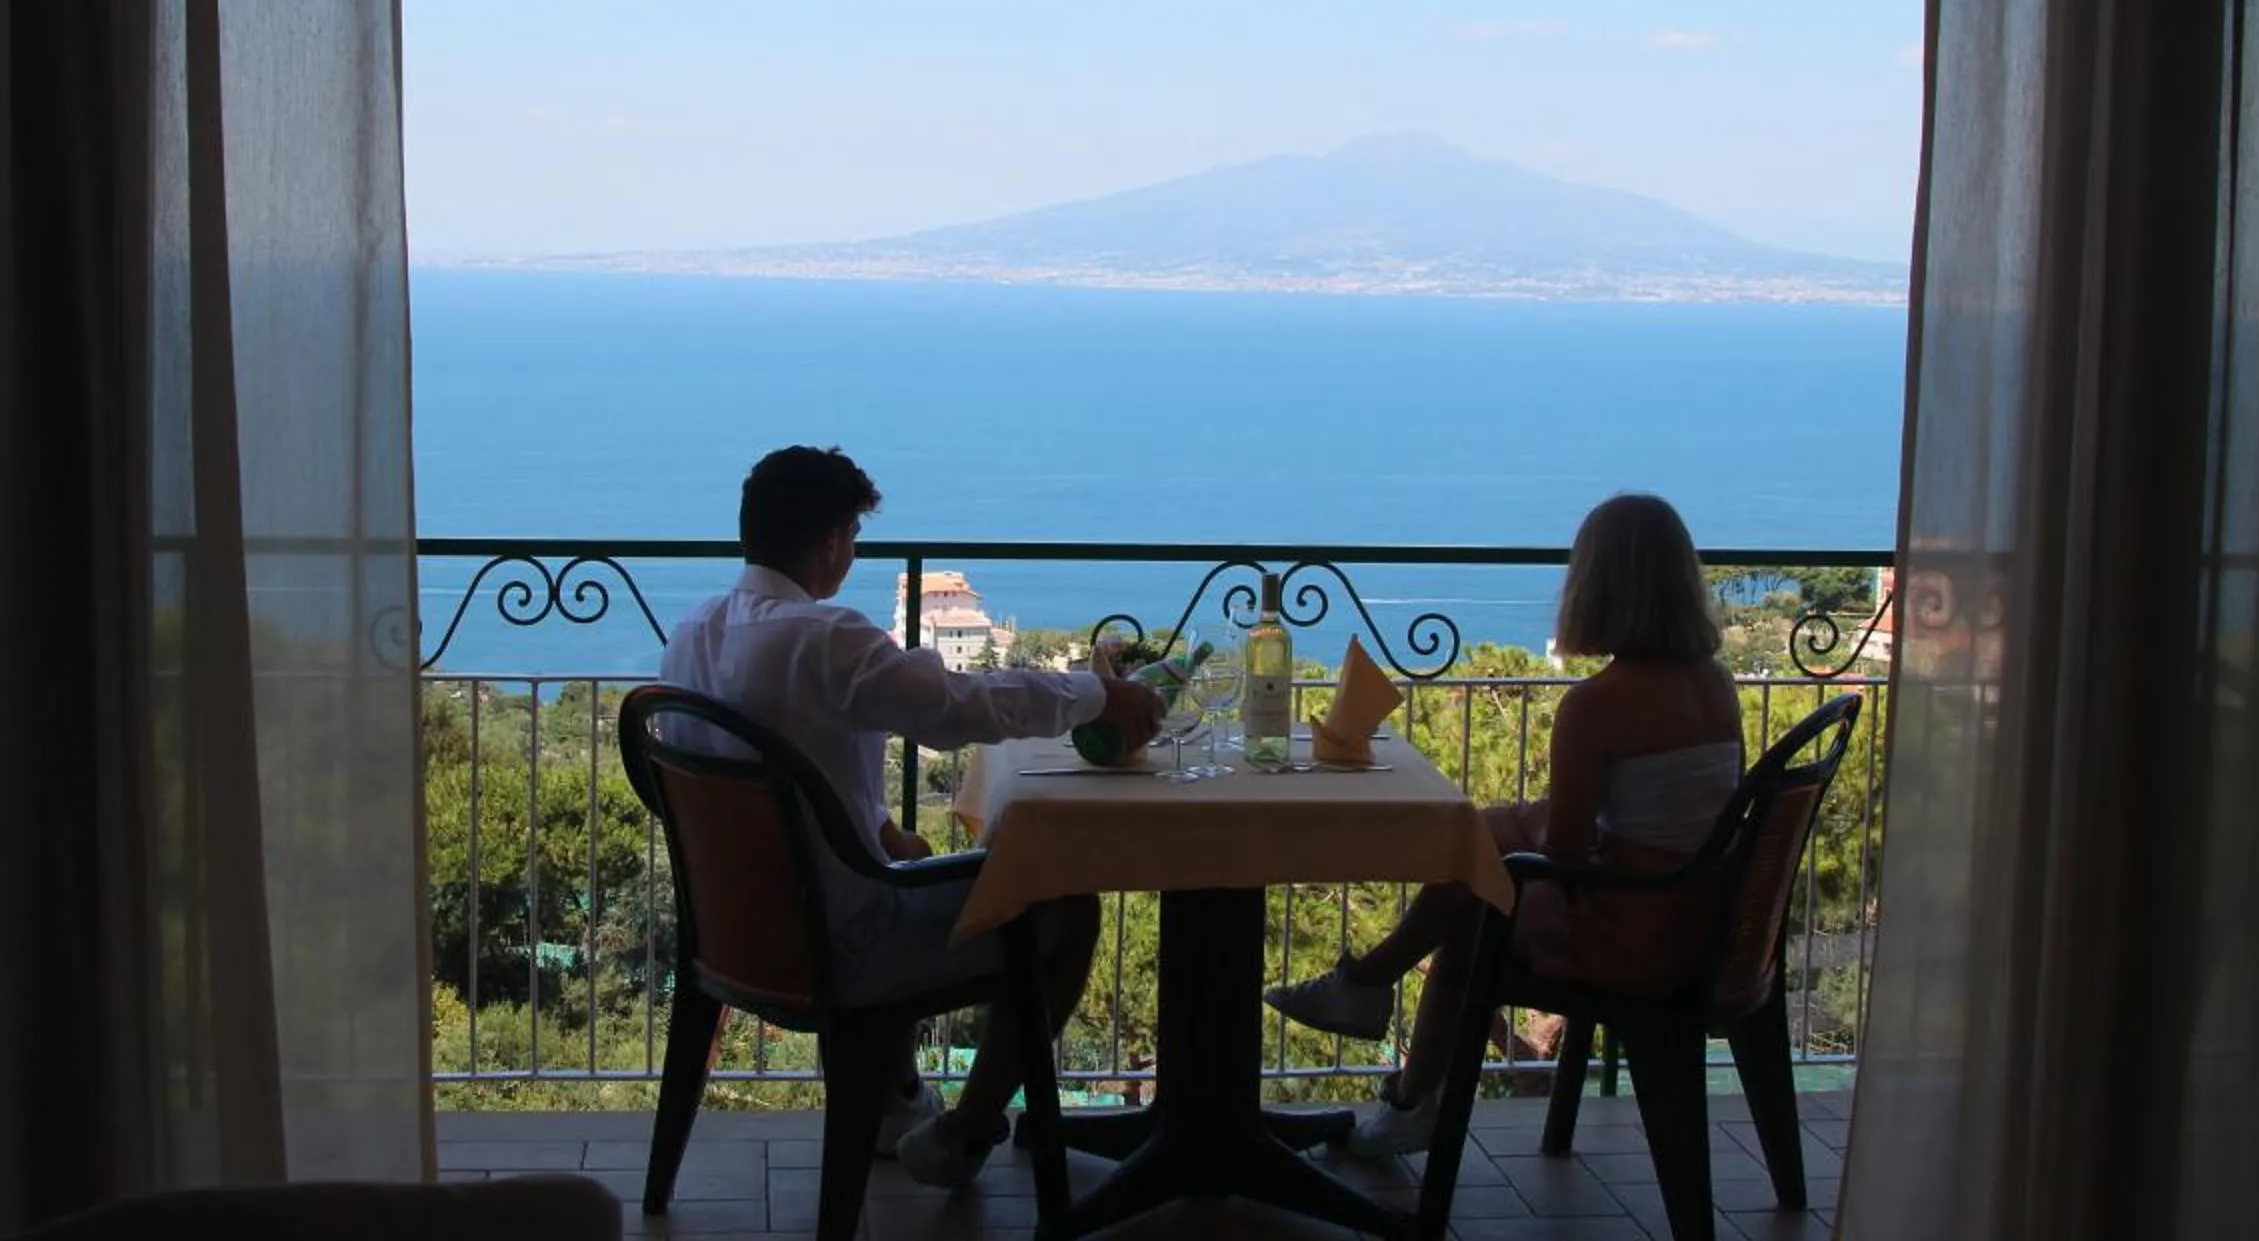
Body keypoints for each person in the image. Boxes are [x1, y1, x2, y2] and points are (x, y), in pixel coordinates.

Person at [658, 445, 1165, 1188]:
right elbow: (958, 709)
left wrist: (874, 827)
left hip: (734, 936)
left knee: (909, 855)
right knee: (1067, 911)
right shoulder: (824, 639)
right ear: (832, 540)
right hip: (838, 945)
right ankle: (966, 1130)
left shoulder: (692, 635)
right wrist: (1097, 696)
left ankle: (893, 1103)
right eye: (854, 537)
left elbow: (772, 781)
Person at [1264, 492, 1742, 1154]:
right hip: (1704, 927)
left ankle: (1380, 1021)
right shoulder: (1716, 685)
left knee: (1473, 914)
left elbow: (1565, 851)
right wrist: (1502, 834)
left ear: (1597, 585)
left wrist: (1499, 851)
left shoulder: (1599, 704)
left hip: (1633, 941)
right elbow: (1656, 814)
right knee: (1486, 853)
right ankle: (1382, 1035)